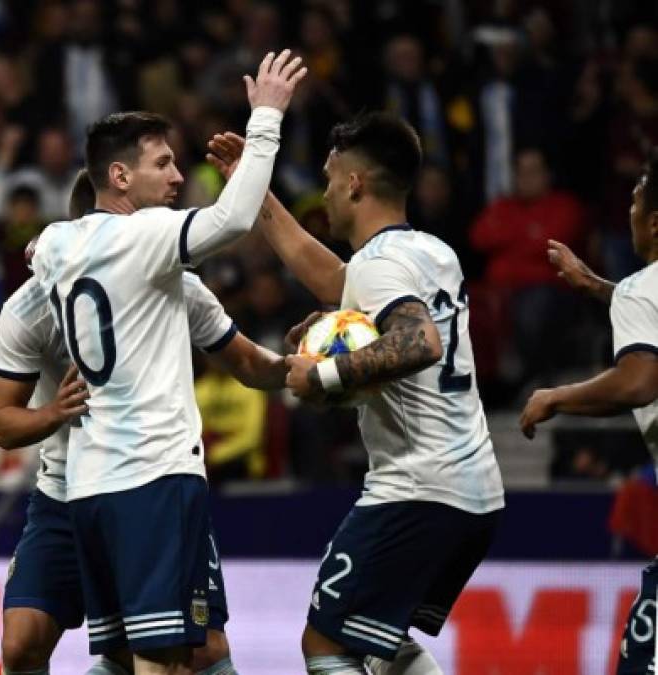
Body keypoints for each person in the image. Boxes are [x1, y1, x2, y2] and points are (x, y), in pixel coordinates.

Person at [28, 50, 305, 674]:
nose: (179, 178)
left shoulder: (56, 245)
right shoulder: (145, 239)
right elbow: (233, 220)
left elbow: (249, 364)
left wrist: (303, 366)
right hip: (153, 477)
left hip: (91, 486)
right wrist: (266, 119)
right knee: (168, 663)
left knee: (147, 656)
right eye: (163, 164)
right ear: (120, 178)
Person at [206, 112, 504, 675]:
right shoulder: (431, 252)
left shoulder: (380, 263)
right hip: (473, 493)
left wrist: (321, 375)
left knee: (326, 645)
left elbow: (420, 340)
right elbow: (334, 280)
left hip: (417, 488)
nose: (324, 191)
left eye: (327, 178)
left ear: (354, 184)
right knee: (377, 639)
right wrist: (255, 190)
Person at [0, 169, 286, 674]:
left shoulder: (173, 284)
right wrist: (52, 413)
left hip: (148, 480)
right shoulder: (30, 306)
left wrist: (305, 369)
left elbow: (248, 362)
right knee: (22, 644)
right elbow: (3, 424)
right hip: (65, 492)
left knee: (197, 648)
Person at [520, 151, 658, 675]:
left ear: (655, 222)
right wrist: (601, 288)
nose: (627, 213)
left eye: (634, 200)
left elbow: (642, 379)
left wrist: (557, 397)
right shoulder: (637, 293)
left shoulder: (643, 288)